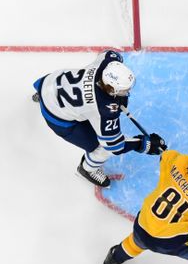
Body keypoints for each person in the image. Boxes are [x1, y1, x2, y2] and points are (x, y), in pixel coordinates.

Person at [33, 49, 166, 187]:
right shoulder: (104, 109)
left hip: (49, 83)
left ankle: (41, 97)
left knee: (64, 98)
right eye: (124, 90)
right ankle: (88, 169)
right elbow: (114, 146)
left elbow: (109, 53)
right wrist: (142, 144)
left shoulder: (107, 62)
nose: (128, 92)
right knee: (99, 149)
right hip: (58, 117)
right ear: (112, 90)